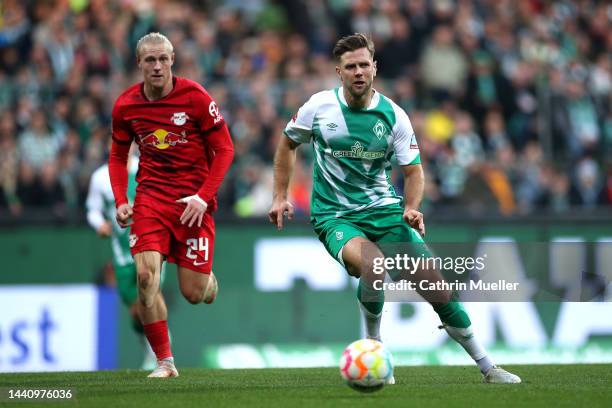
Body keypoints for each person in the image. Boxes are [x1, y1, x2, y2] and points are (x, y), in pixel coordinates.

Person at [268, 33, 521, 384]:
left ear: (375, 68)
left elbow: (414, 171)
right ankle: (375, 346)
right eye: (350, 66)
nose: (358, 72)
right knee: (373, 265)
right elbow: (287, 143)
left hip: (386, 213)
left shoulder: (394, 116)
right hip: (335, 215)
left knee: (439, 290)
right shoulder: (318, 108)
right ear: (338, 72)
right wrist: (280, 194)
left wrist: (413, 207)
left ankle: (488, 367)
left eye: (364, 65)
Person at [109, 32, 234, 378]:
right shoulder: (126, 105)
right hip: (150, 199)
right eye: (150, 60)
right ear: (139, 63)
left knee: (194, 293)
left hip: (194, 203)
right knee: (146, 277)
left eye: (163, 58)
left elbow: (225, 150)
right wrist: (122, 200)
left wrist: (203, 196)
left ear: (173, 59)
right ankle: (165, 362)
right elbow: (118, 156)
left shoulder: (195, 98)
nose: (157, 66)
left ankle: (208, 281)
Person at [86, 144, 165, 370]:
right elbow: (92, 209)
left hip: (151, 244)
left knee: (149, 291)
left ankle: (158, 353)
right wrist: (99, 223)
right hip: (122, 251)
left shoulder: (148, 167)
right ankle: (150, 343)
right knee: (136, 311)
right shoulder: (100, 177)